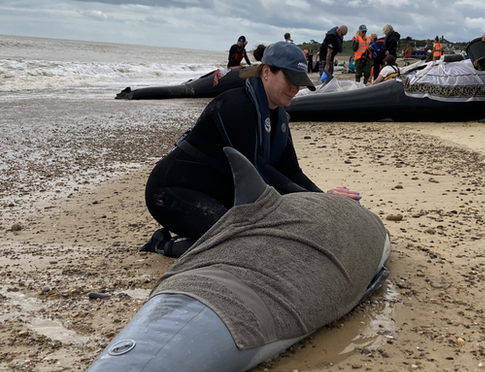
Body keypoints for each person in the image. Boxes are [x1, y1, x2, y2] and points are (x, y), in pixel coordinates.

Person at [142, 41, 361, 258]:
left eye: (300, 82)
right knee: (240, 243)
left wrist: (323, 199)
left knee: (264, 236)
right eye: (291, 80)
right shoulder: (236, 105)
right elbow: (257, 168)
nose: (295, 88)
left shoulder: (278, 116)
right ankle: (163, 244)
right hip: (170, 191)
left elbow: (292, 172)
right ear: (266, 72)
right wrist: (314, 204)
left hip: (217, 193)